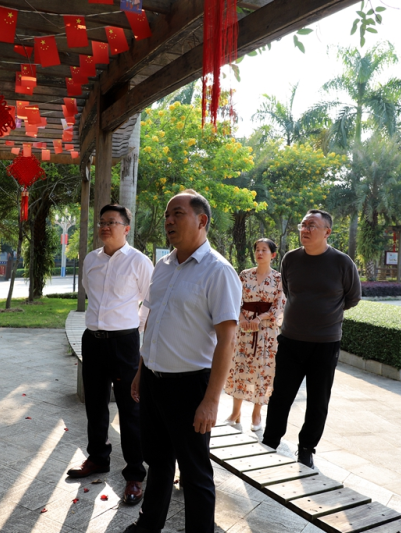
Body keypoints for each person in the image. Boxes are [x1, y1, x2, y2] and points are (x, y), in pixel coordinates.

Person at [124, 190, 241, 533]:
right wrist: (141, 371)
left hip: (190, 386)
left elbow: (227, 340)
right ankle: (149, 525)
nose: (169, 221)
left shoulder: (218, 271)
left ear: (202, 221)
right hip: (153, 380)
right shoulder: (162, 266)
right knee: (158, 461)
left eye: (177, 214)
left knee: (194, 472)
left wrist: (211, 401)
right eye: (166, 215)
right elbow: (153, 322)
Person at [66, 204, 153, 506]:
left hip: (124, 342)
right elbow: (90, 292)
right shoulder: (91, 259)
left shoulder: (139, 261)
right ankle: (98, 458)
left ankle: (135, 472)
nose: (105, 226)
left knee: (130, 408)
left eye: (112, 222)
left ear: (126, 228)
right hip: (93, 340)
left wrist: (134, 329)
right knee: (95, 403)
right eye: (102, 222)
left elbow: (150, 301)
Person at [261, 209, 361, 468]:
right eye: (303, 225)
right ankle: (270, 441)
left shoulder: (342, 263)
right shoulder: (291, 259)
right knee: (280, 396)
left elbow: (352, 297)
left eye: (312, 225)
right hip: (291, 340)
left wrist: (327, 313)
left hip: (325, 343)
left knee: (318, 401)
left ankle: (306, 448)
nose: (305, 230)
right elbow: (288, 290)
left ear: (327, 232)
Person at [223, 238, 286, 431]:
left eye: (264, 250)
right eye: (257, 249)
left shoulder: (278, 279)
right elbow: (234, 299)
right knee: (240, 367)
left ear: (273, 255)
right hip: (244, 329)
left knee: (263, 371)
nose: (259, 253)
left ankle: (256, 414)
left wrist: (260, 318)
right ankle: (235, 412)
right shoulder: (244, 275)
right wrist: (242, 317)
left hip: (266, 332)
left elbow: (279, 304)